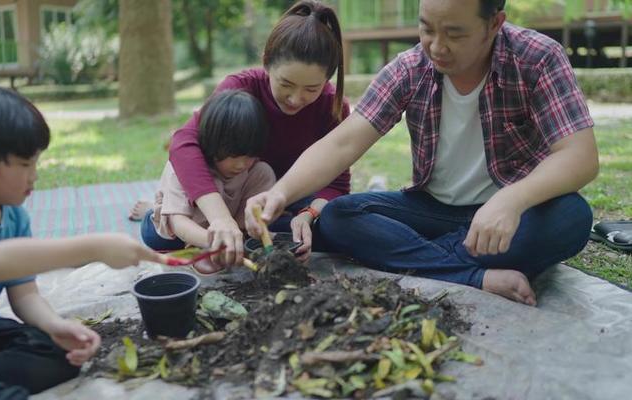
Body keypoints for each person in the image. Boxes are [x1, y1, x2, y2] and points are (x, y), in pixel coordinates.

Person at [246, 0, 598, 307]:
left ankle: (416, 254)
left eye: (454, 34)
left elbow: (579, 156)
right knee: (340, 215)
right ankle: (471, 273)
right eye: (426, 28)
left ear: (494, 23)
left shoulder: (537, 58)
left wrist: (510, 201)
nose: (436, 46)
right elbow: (342, 143)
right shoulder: (410, 68)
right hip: (433, 210)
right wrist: (280, 192)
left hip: (514, 216)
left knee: (572, 217)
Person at [0, 87, 162, 399]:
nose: (34, 176)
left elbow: (24, 297)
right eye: (24, 165)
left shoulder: (14, 218)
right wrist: (93, 248)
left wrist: (54, 325)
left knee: (56, 350)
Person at [131, 0, 351, 265]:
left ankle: (186, 214)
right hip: (229, 191)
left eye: (311, 89)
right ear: (267, 63)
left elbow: (337, 184)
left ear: (327, 80)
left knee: (313, 235)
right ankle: (160, 211)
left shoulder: (332, 106)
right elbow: (184, 142)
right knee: (161, 237)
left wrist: (307, 214)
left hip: (284, 197)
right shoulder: (240, 88)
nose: (295, 98)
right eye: (286, 84)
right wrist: (220, 219)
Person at [140, 90, 275, 273]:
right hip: (179, 229)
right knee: (154, 236)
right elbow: (178, 223)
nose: (242, 164)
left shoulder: (257, 173)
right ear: (212, 142)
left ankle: (161, 205)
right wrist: (214, 242)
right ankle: (153, 209)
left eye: (250, 155)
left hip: (222, 226)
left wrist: (238, 237)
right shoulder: (185, 167)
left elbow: (248, 221)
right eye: (234, 155)